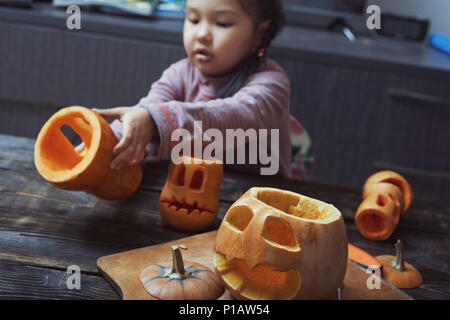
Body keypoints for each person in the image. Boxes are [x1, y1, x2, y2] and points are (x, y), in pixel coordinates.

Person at [90, 0, 310, 179]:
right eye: (193, 19)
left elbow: (239, 116)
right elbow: (146, 110)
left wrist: (154, 120)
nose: (202, 34)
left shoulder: (272, 82)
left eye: (222, 23)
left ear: (259, 34)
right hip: (191, 188)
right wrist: (101, 147)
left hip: (257, 202)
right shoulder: (178, 74)